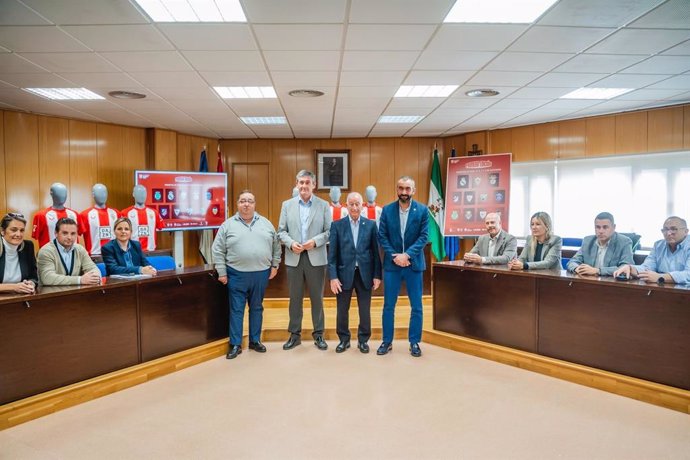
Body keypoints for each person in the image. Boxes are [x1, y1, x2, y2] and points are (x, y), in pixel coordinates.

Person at [212, 190, 281, 359]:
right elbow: (217, 249)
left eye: (250, 201)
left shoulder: (266, 224)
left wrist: (275, 265)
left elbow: (276, 246)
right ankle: (235, 344)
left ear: (255, 204)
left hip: (261, 274)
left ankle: (255, 340)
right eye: (243, 201)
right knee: (237, 309)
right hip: (236, 274)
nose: (246, 204)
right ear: (237, 204)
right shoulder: (227, 225)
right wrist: (221, 271)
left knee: (257, 308)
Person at [278, 170, 332, 351]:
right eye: (300, 182)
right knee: (295, 299)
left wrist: (315, 242)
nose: (304, 186)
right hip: (294, 258)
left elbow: (329, 231)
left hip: (316, 258)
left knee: (317, 298)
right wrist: (291, 243)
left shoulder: (324, 206)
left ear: (313, 185)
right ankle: (294, 335)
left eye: (307, 182)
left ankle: (319, 335)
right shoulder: (287, 205)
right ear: (296, 184)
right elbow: (281, 232)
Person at [377, 176, 429, 357]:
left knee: (417, 306)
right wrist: (396, 256)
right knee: (388, 305)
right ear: (397, 189)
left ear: (413, 191)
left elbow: (424, 237)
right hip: (392, 265)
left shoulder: (422, 210)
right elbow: (382, 236)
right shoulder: (387, 210)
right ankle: (386, 341)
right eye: (401, 188)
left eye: (408, 189)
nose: (404, 192)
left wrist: (407, 255)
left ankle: (414, 342)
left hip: (414, 265)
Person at [328, 192, 382, 353]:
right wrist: (333, 277)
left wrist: (377, 275)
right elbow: (332, 255)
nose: (354, 207)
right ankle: (344, 340)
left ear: (362, 205)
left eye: (357, 204)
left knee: (364, 310)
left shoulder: (371, 225)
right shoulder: (337, 225)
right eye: (351, 204)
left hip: (365, 274)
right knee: (342, 310)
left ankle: (363, 340)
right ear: (346, 205)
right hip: (343, 275)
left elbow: (375, 252)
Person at [614, 216, 689, 284]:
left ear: (686, 231)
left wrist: (660, 277)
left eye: (673, 229)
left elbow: (688, 274)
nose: (668, 233)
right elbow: (647, 267)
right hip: (663, 289)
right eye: (665, 229)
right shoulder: (658, 245)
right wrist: (631, 268)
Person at [37, 217, 101, 286]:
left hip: (75, 293)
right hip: (51, 293)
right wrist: (79, 280)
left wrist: (95, 277)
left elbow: (93, 269)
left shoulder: (80, 249)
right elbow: (48, 278)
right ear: (56, 233)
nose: (69, 237)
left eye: (73, 233)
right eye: (65, 233)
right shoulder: (46, 251)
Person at [567, 212, 634, 276]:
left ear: (614, 227)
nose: (601, 231)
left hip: (612, 284)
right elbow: (572, 262)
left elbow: (626, 267)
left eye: (605, 227)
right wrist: (576, 268)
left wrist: (598, 271)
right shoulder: (588, 241)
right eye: (598, 227)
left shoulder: (624, 242)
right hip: (589, 282)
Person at [32, 182, 79, 248]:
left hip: (73, 256)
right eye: (59, 193)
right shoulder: (40, 216)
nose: (62, 195)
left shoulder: (75, 214)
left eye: (64, 193)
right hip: (49, 255)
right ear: (51, 193)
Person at [0, 212, 38, 294]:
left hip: (19, 297)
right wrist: (13, 287)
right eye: (13, 230)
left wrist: (31, 283)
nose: (18, 234)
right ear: (2, 231)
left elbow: (33, 276)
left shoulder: (28, 246)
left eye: (22, 230)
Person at [79, 183, 120, 256]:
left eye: (105, 192)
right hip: (95, 256)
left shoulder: (116, 213)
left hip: (115, 255)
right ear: (93, 194)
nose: (102, 195)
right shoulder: (84, 215)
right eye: (99, 192)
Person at [120, 185, 163, 252]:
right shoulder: (125, 213)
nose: (142, 195)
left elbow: (160, 227)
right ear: (133, 194)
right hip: (132, 252)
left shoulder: (154, 213)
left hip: (151, 252)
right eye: (139, 193)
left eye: (144, 193)